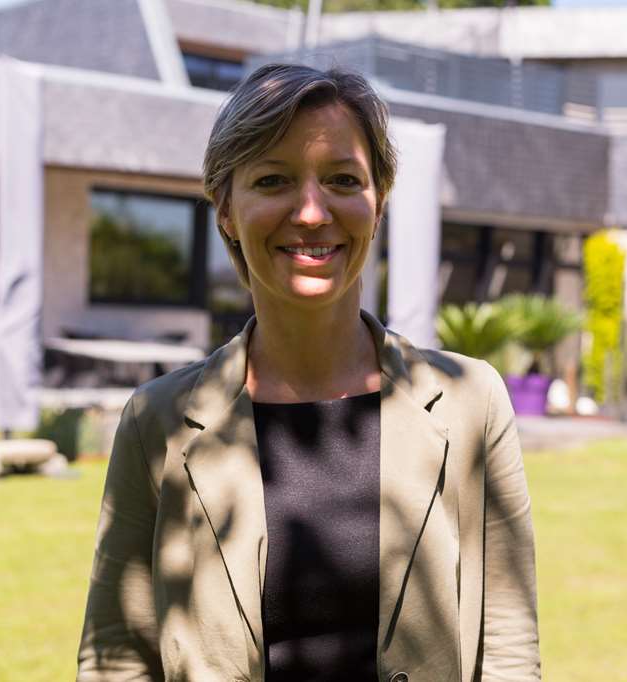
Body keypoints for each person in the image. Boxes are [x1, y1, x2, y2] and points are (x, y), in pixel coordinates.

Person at [77, 63, 539, 681]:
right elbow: (116, 656)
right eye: (273, 180)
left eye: (343, 179)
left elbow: (509, 648)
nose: (313, 212)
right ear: (225, 209)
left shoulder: (472, 402)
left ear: (378, 203)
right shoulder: (156, 422)